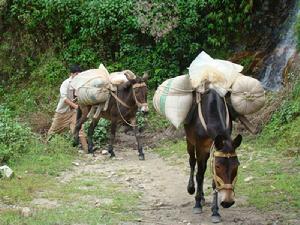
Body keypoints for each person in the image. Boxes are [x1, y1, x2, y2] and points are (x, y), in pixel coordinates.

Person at [47, 64, 88, 151]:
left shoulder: (80, 84)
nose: (78, 76)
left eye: (79, 74)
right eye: (76, 74)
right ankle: (47, 149)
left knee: (80, 129)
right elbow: (64, 99)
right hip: (62, 112)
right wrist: (76, 106)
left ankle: (87, 150)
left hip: (73, 112)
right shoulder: (65, 84)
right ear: (71, 74)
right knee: (53, 131)